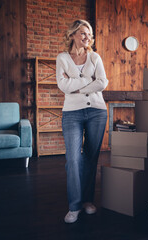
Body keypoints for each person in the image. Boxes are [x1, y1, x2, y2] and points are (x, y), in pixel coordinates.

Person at [56, 19, 108, 223]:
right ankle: (74, 205)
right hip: (72, 113)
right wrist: (89, 80)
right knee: (73, 160)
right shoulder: (62, 58)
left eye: (89, 34)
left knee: (90, 158)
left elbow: (102, 82)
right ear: (72, 35)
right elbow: (63, 85)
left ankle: (87, 201)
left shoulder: (95, 57)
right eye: (83, 33)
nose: (87, 37)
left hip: (97, 111)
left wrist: (77, 85)